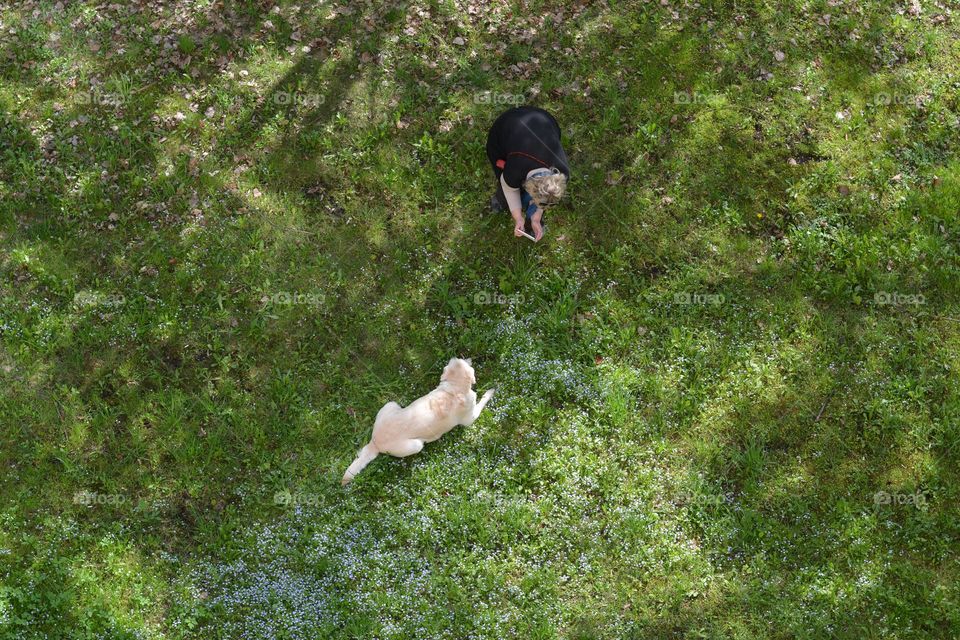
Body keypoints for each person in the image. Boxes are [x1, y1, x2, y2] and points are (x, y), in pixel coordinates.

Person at [485, 106, 569, 242]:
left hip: (544, 118)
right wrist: (518, 217)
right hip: (504, 127)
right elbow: (510, 188)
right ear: (527, 184)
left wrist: (537, 216)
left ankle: (532, 217)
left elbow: (547, 194)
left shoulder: (563, 172)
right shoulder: (516, 168)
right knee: (506, 181)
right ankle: (501, 201)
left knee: (536, 197)